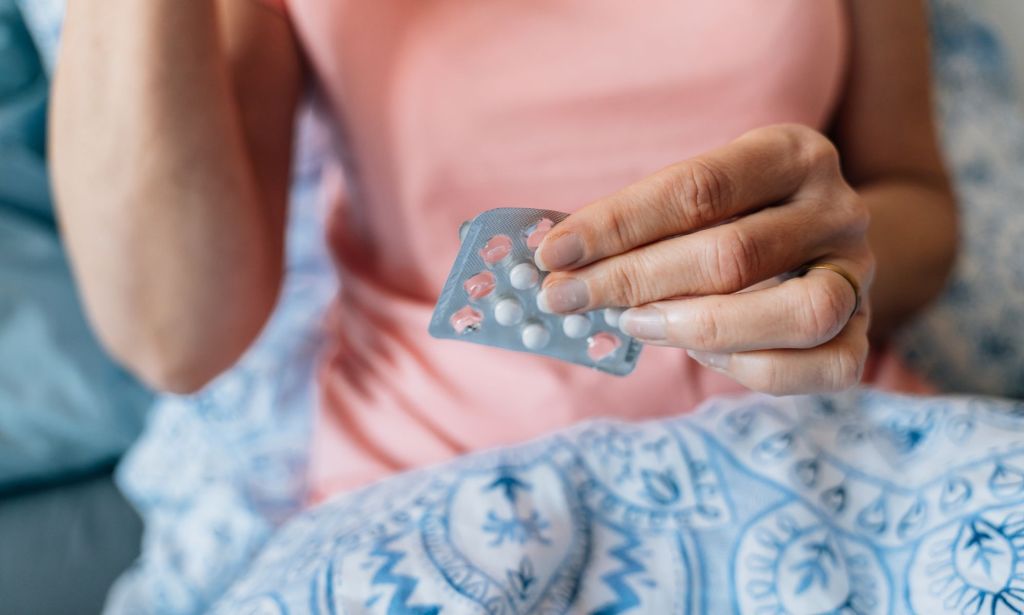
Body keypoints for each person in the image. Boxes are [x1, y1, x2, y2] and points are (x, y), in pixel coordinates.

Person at [51, 0, 956, 500]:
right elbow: (174, 334)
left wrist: (830, 269)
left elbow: (918, 204)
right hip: (439, 481)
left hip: (826, 449)